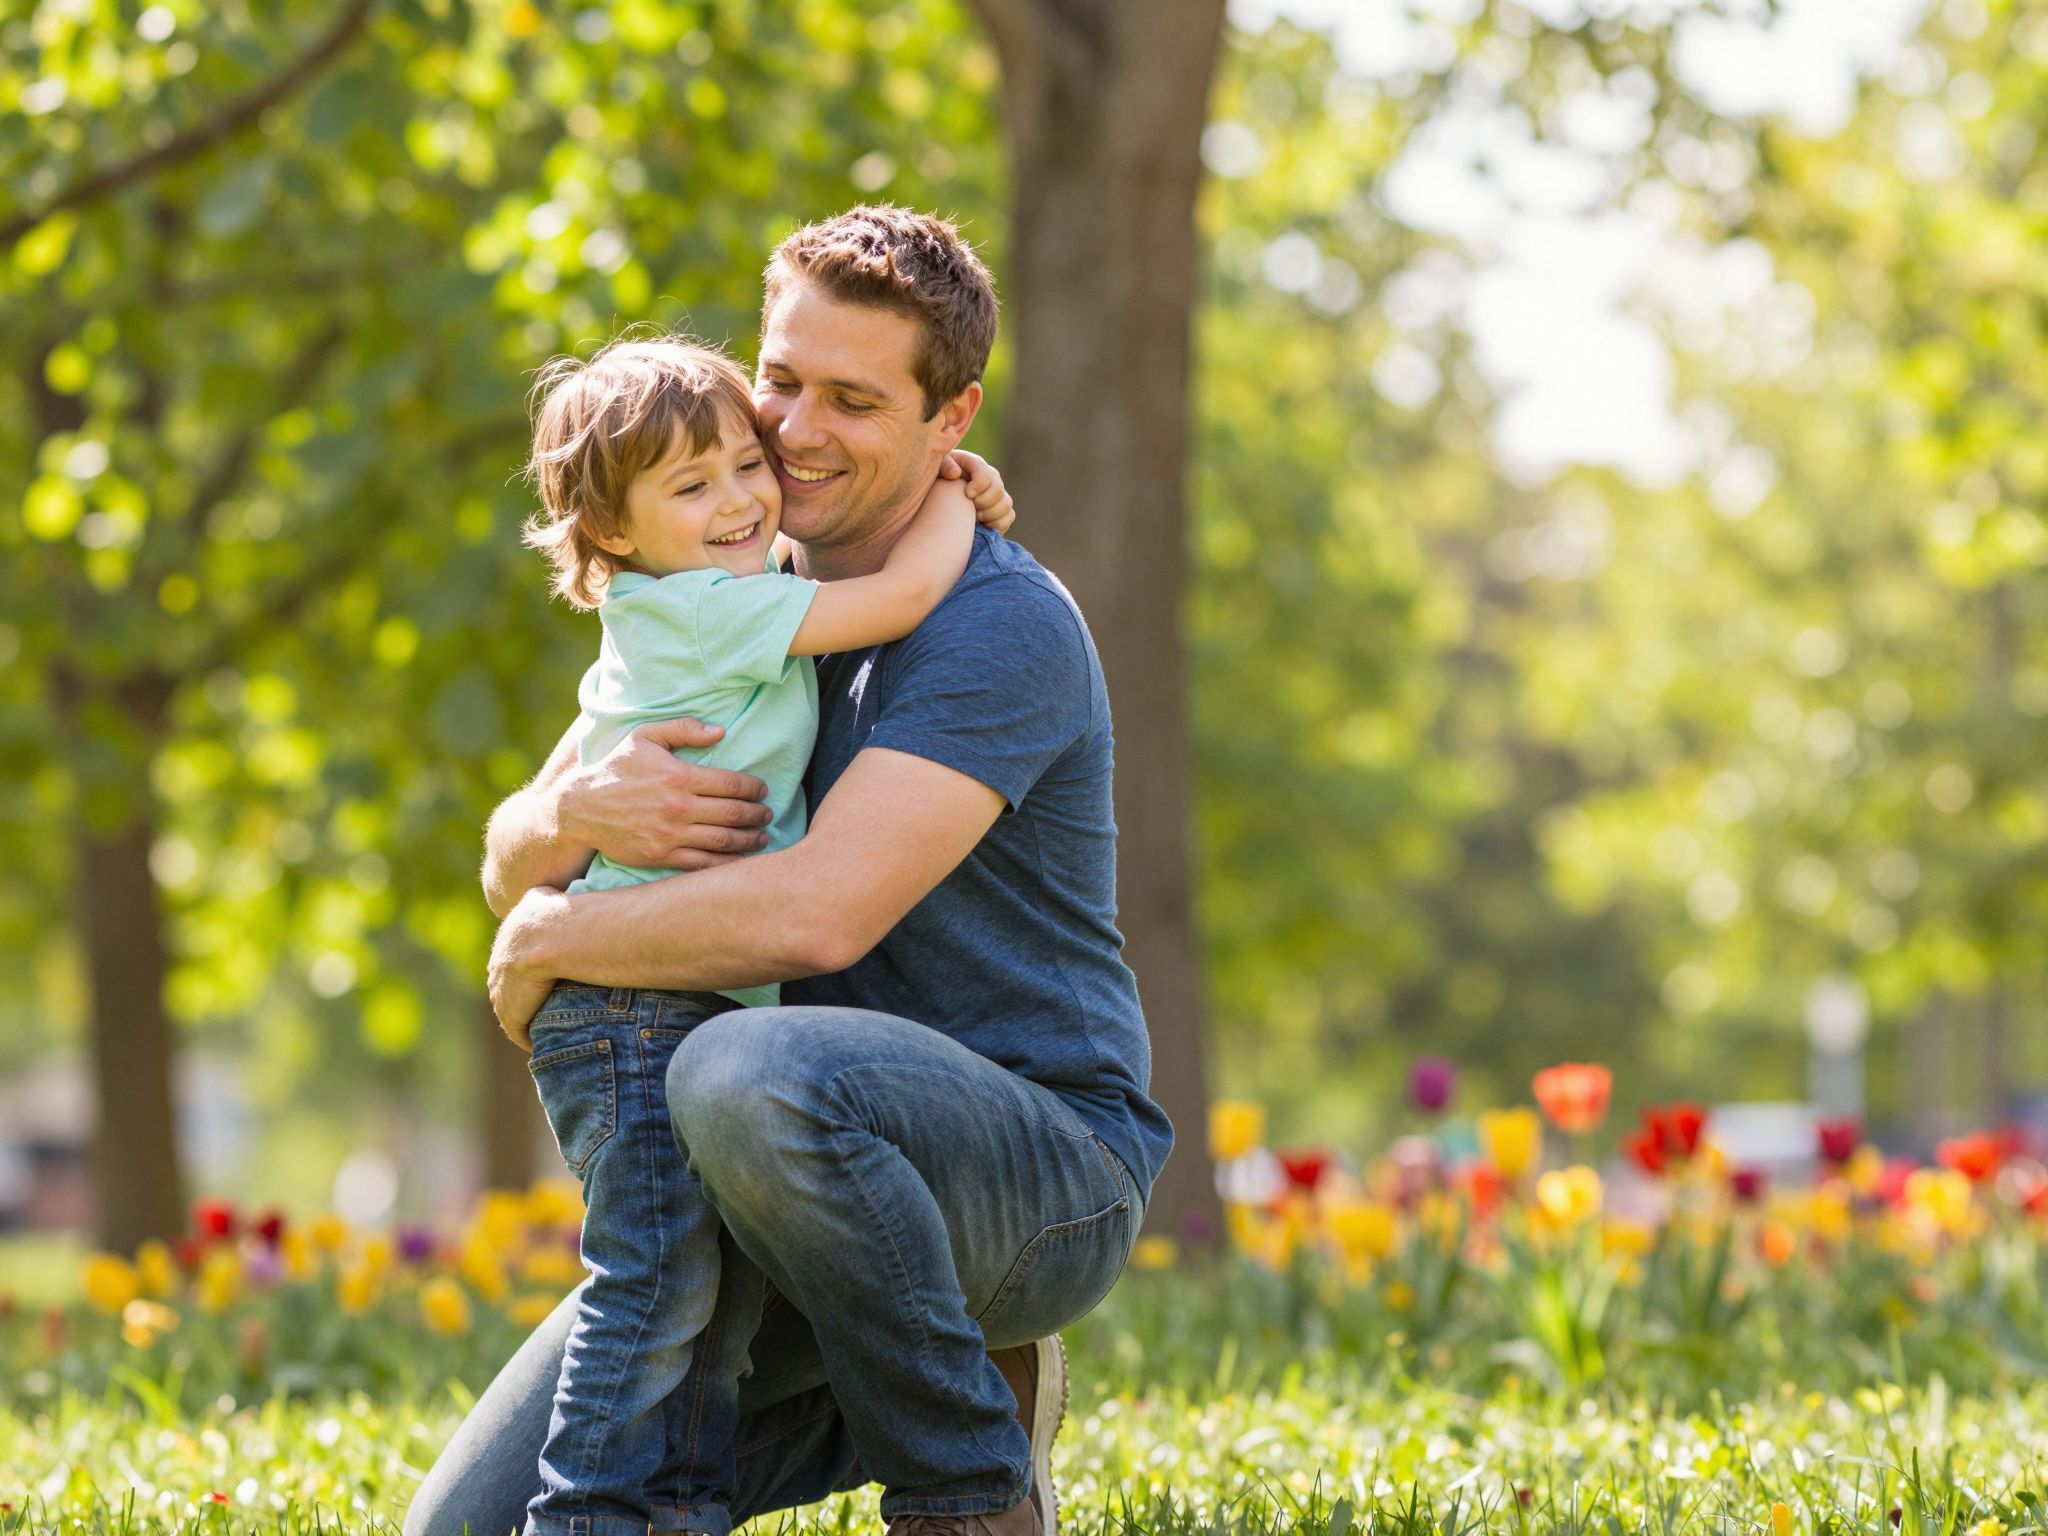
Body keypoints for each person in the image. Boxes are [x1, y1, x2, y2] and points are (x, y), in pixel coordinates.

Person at [406, 205, 1173, 1536]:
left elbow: (818, 916)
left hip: (1028, 1168)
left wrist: (548, 940)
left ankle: (964, 1478)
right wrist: (572, 811)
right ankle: (902, 1387)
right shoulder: (724, 576)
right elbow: (514, 849)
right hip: (761, 1179)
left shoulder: (999, 626)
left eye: (854, 401)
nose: (795, 430)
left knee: (738, 1069)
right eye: (780, 380)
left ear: (951, 420)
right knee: (463, 1530)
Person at [510, 333, 1013, 1536]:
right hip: (636, 1004)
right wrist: (955, 497)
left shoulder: (696, 593)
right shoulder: (707, 612)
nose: (739, 499)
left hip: (662, 998)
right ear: (613, 530)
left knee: (705, 1300)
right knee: (655, 1290)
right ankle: (586, 1518)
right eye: (692, 486)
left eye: (747, 464)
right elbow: (901, 598)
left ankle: (671, 1513)